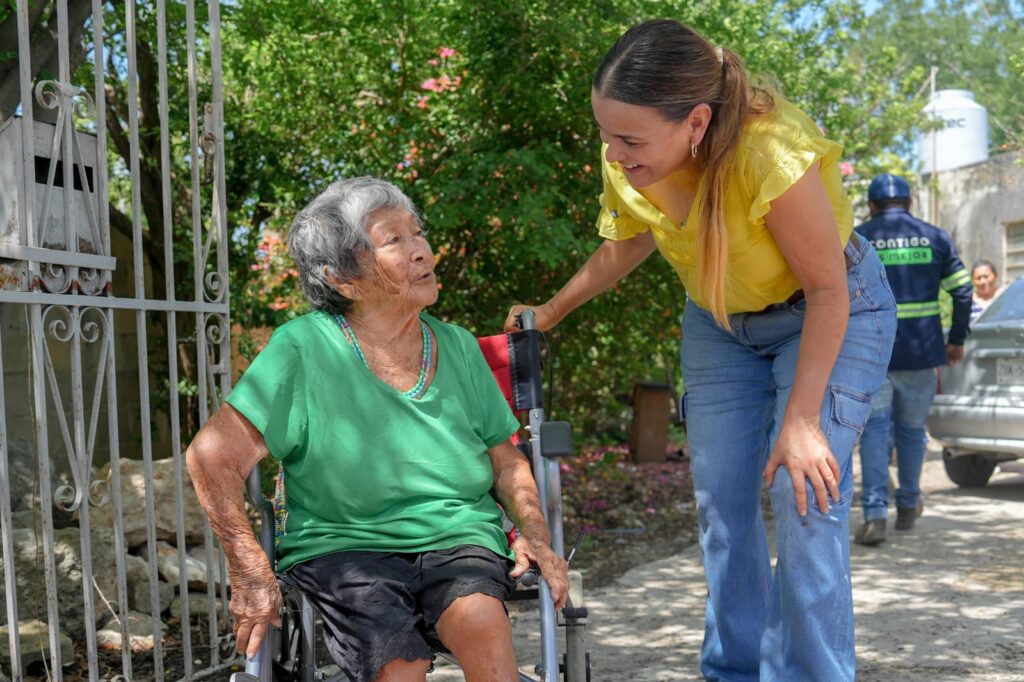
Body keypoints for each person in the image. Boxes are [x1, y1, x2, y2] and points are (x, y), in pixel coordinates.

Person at [505, 19, 896, 682]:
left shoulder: (769, 152)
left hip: (829, 310)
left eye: (630, 139)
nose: (614, 154)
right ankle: (734, 671)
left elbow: (828, 289)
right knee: (723, 503)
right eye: (605, 134)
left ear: (696, 122)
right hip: (720, 323)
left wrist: (803, 422)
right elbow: (629, 240)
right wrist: (550, 312)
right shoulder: (629, 158)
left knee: (804, 494)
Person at [186, 177, 568, 682]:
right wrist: (249, 567)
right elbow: (211, 456)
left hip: (458, 537)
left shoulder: (457, 345)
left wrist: (535, 534)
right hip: (345, 548)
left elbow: (506, 460)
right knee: (399, 662)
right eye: (393, 240)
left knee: (481, 622)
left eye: (417, 233)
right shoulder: (302, 348)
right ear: (342, 278)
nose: (421, 250)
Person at [853, 173, 973, 546]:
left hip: (872, 354)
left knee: (874, 431)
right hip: (922, 352)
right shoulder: (935, 236)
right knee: (911, 431)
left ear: (871, 206)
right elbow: (963, 291)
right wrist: (955, 340)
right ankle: (907, 505)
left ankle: (875, 515)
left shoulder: (857, 238)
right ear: (909, 203)